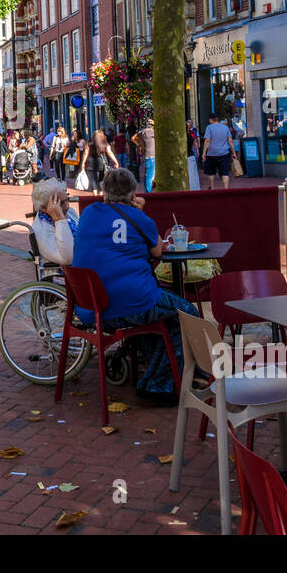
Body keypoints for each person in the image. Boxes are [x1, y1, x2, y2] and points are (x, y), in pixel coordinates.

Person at [72, 168, 198, 402]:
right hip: (134, 304)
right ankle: (159, 384)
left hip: (92, 308)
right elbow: (158, 250)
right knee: (188, 313)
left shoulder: (89, 214)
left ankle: (160, 369)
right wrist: (136, 211)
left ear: (104, 191)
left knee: (164, 317)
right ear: (133, 193)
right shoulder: (141, 218)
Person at [30, 178, 77, 267]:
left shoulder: (70, 212)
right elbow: (69, 258)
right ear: (43, 208)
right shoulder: (41, 230)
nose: (67, 205)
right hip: (66, 274)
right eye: (60, 203)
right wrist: (59, 220)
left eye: (67, 199)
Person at [200, 114, 235, 190]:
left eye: (209, 119)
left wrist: (204, 153)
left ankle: (212, 189)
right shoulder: (225, 128)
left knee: (211, 172)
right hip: (224, 153)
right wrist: (234, 153)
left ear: (211, 119)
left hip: (212, 154)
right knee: (225, 172)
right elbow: (230, 141)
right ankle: (226, 189)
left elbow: (207, 140)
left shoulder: (209, 128)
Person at [79, 128, 118, 194]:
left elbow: (85, 153)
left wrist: (83, 163)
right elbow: (109, 152)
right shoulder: (105, 143)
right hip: (102, 163)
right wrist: (116, 162)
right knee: (101, 180)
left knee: (93, 181)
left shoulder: (89, 143)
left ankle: (95, 196)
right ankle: (101, 196)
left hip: (90, 163)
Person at [134, 121, 156, 193]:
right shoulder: (152, 132)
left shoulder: (142, 132)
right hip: (152, 156)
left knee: (147, 175)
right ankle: (148, 192)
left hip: (146, 155)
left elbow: (133, 138)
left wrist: (139, 145)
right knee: (150, 175)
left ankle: (146, 191)